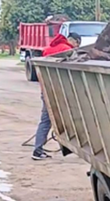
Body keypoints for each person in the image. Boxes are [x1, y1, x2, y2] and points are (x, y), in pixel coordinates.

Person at [32, 32, 82, 160]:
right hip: (60, 91)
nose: (77, 47)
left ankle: (38, 149)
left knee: (46, 120)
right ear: (74, 41)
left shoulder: (48, 49)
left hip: (46, 91)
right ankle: (68, 146)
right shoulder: (67, 50)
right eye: (77, 44)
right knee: (71, 118)